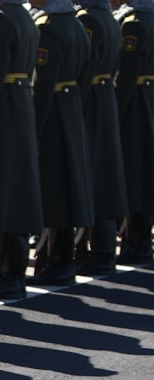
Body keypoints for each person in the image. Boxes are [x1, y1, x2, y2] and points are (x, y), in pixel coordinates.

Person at [0, 0, 45, 299]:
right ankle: (8, 272)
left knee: (2, 196)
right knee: (15, 193)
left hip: (2, 111)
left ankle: (4, 275)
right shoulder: (24, 15)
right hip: (20, 105)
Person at [26, 0, 94, 286]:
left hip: (53, 114)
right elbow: (87, 74)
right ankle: (62, 259)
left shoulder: (48, 28)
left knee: (54, 190)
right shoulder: (76, 24)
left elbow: (42, 83)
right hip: (71, 109)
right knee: (67, 188)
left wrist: (34, 128)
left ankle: (59, 261)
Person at [75, 0, 129, 276]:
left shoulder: (88, 19)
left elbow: (86, 66)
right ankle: (102, 250)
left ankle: (101, 251)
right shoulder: (109, 17)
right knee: (105, 175)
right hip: (106, 97)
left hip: (92, 102)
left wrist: (77, 105)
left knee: (95, 177)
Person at [114, 0, 154, 265]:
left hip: (136, 103)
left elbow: (127, 74)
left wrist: (116, 112)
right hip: (148, 98)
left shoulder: (134, 24)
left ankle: (137, 241)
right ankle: (140, 238)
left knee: (135, 173)